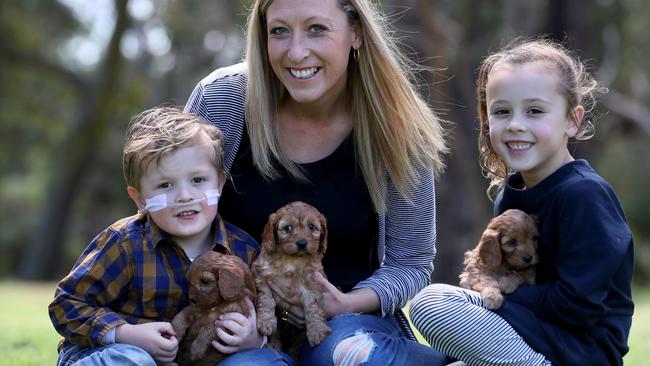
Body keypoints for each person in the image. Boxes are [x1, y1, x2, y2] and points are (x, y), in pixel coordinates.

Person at [184, 0, 450, 364]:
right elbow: (172, 208)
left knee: (348, 355)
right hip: (237, 321)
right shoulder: (223, 100)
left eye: (317, 29)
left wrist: (344, 304)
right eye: (279, 31)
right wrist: (230, 312)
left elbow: (411, 262)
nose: (296, 52)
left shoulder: (398, 126)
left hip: (344, 324)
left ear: (356, 32)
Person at [410, 39, 635, 365]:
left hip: (577, 350)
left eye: (534, 110)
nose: (515, 124)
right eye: (502, 111)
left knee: (432, 303)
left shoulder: (585, 196)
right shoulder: (509, 195)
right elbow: (497, 271)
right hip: (530, 332)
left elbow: (577, 307)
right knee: (437, 307)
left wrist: (498, 293)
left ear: (572, 119)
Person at [48, 107, 264, 366]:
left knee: (258, 361)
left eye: (198, 180)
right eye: (165, 185)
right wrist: (125, 333)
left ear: (219, 184)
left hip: (199, 358)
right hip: (111, 351)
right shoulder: (125, 243)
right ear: (139, 199)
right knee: (136, 360)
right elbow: (66, 305)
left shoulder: (244, 249)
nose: (184, 196)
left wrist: (254, 339)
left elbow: (269, 311)